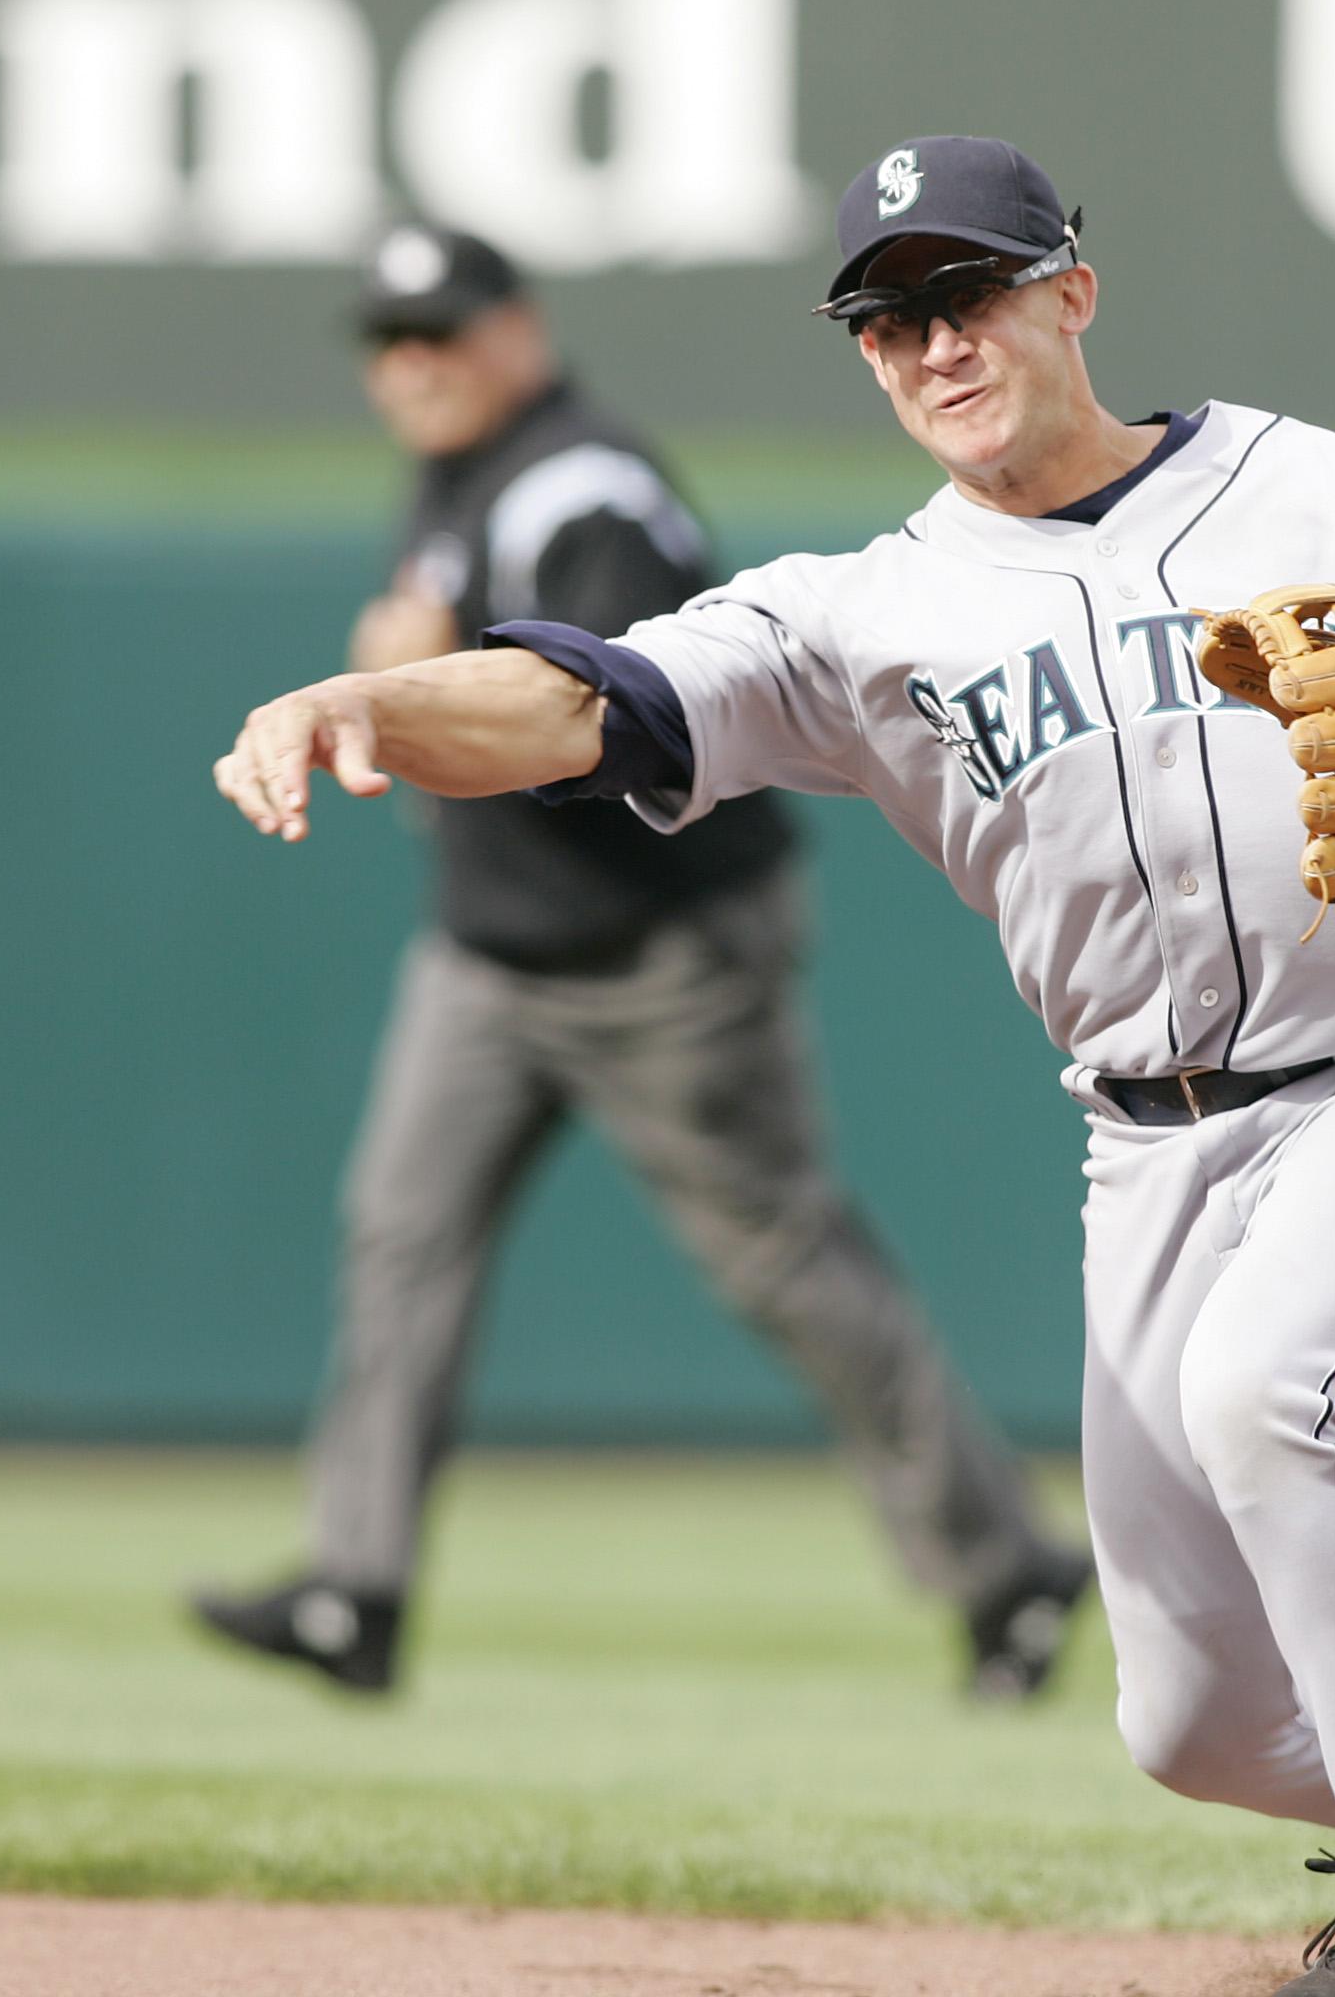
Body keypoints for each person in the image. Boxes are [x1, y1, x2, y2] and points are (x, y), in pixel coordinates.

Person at [213, 146, 1335, 1997]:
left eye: (970, 291)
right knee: (1187, 1725)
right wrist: (371, 707)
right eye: (891, 316)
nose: (935, 339)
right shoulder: (861, 611)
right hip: (1150, 1144)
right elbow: (590, 701)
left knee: (1271, 1392)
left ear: (1074, 293)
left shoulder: (1318, 483)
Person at [190, 220, 1093, 1704]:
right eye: (390, 344)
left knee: (786, 1259)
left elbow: (624, 721)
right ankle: (356, 1588)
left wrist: (414, 685)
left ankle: (1007, 1572)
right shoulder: (464, 467)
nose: (416, 366)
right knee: (398, 1242)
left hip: (659, 958)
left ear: (519, 328)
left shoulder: (582, 492)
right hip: (488, 955)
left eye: (446, 332)